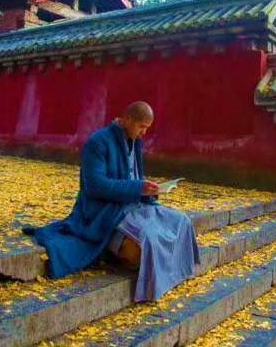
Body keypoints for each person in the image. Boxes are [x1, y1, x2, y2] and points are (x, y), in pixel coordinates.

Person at [23, 101, 200, 301]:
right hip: (105, 209)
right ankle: (142, 274)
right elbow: (95, 185)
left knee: (182, 220)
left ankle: (178, 272)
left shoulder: (134, 141)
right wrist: (136, 187)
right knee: (148, 238)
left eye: (147, 129)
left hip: (134, 204)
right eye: (141, 127)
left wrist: (148, 188)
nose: (144, 133)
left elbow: (132, 178)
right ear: (127, 119)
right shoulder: (97, 142)